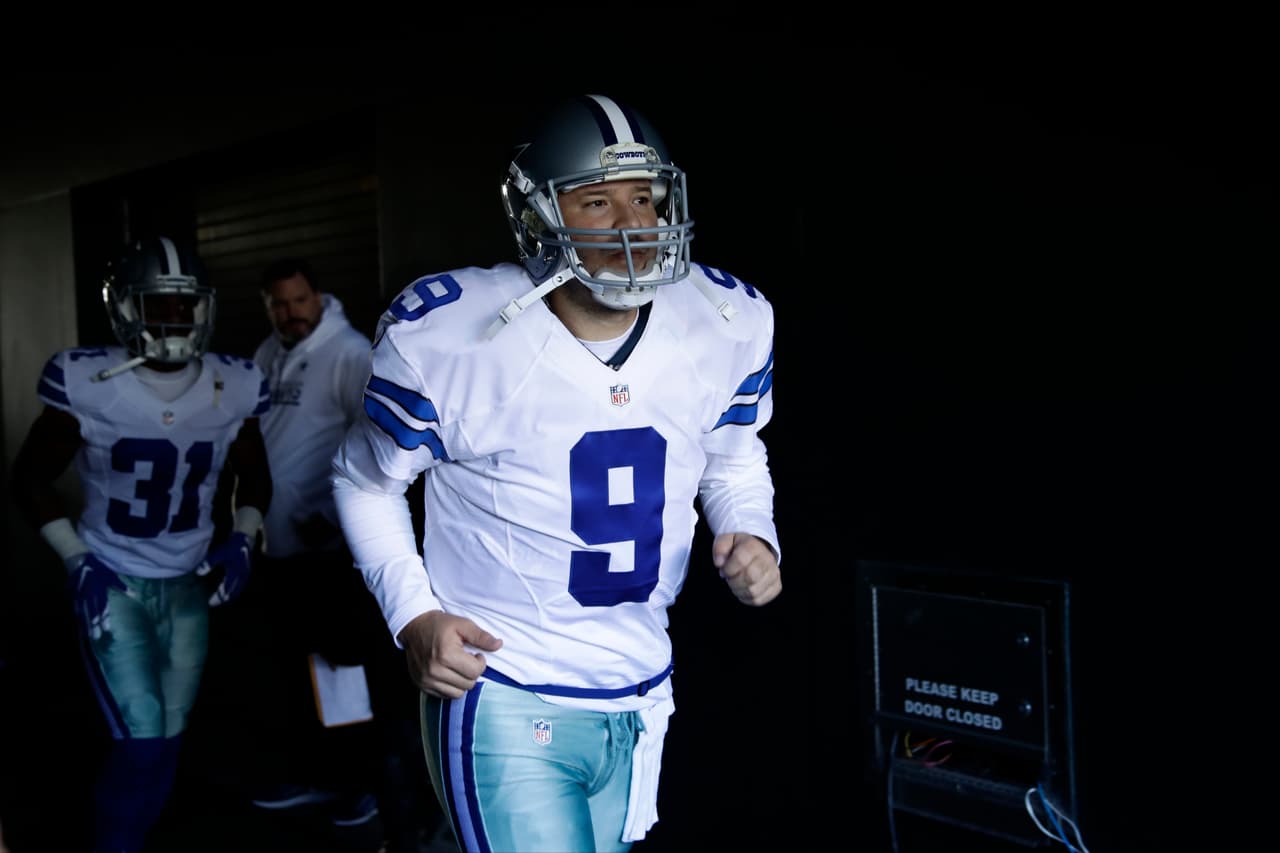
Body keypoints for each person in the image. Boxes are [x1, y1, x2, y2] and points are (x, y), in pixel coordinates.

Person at [330, 93, 782, 852]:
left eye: (645, 196)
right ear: (537, 214)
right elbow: (362, 480)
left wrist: (751, 528)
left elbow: (733, 452)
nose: (633, 223)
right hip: (506, 685)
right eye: (597, 201)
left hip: (641, 685)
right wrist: (413, 615)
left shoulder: (728, 318)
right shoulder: (448, 335)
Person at [9, 235, 272, 853]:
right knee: (141, 737)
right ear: (125, 309)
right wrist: (74, 558)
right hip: (114, 578)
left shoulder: (233, 383)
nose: (173, 319)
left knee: (169, 737)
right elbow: (28, 479)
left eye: (184, 306)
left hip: (188, 580)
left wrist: (244, 537)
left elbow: (254, 476)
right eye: (158, 304)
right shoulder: (88, 380)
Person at [245, 258, 435, 848]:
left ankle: (365, 793)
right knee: (298, 673)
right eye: (278, 304)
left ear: (318, 297)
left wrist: (333, 520)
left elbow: (378, 453)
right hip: (279, 550)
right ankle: (328, 779)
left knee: (347, 678)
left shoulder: (350, 352)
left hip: (330, 550)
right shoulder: (266, 353)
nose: (290, 313)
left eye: (298, 301)